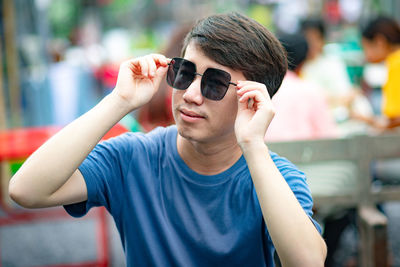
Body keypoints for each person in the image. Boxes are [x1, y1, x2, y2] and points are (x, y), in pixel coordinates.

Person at [9, 13, 326, 266]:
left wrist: (254, 147)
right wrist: (119, 101)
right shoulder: (135, 156)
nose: (189, 95)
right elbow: (26, 190)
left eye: (214, 84)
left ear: (252, 101)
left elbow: (308, 261)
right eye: (184, 72)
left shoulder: (274, 178)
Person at [265, 32, 338, 141]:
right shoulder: (311, 91)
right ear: (304, 61)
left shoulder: (261, 88)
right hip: (306, 154)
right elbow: (329, 135)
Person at [361, 16, 400, 130]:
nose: (366, 56)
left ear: (379, 42)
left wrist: (366, 119)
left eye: (366, 47)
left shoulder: (396, 63)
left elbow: (395, 117)